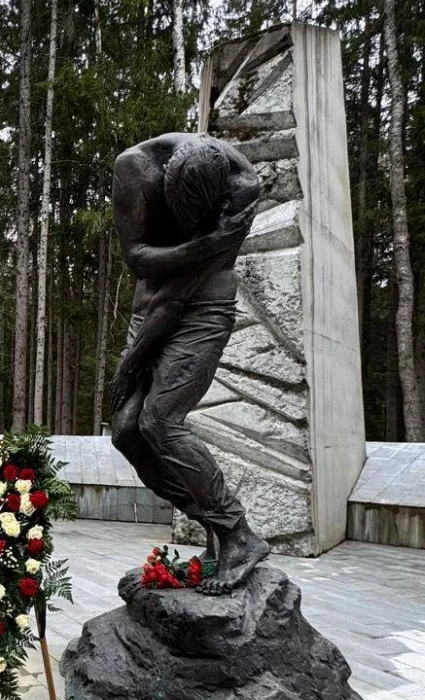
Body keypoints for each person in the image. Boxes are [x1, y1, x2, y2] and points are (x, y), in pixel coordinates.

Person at [109, 132, 268, 595]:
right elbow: (139, 258)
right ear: (167, 184)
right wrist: (205, 243)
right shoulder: (134, 169)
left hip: (205, 306)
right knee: (125, 432)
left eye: (202, 218)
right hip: (150, 304)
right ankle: (217, 528)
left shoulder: (244, 186)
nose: (191, 224)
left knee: (160, 422)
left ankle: (238, 534)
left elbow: (184, 290)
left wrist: (135, 361)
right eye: (184, 214)